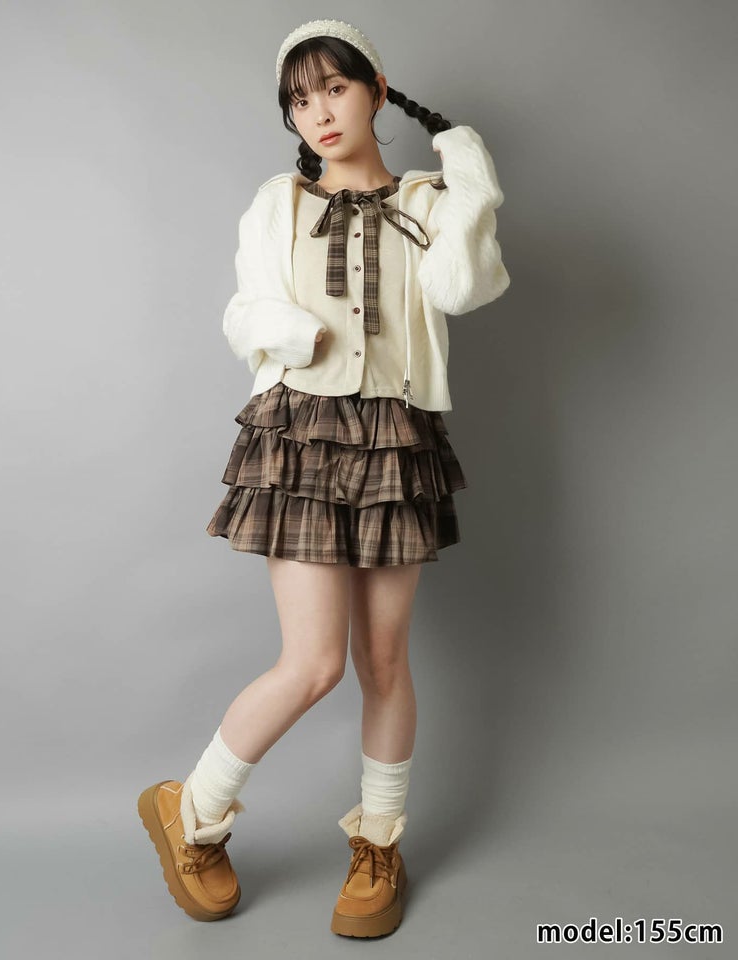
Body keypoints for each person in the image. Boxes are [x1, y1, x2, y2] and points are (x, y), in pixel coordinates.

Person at [137, 17, 510, 938]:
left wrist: (473, 180)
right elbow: (243, 312)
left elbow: (462, 288)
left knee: (385, 661)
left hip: (396, 437)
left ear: (376, 90)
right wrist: (296, 333)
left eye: (335, 88)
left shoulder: (426, 201)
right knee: (313, 663)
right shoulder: (281, 203)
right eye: (300, 100)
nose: (319, 113)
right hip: (302, 434)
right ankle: (193, 811)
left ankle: (379, 846)